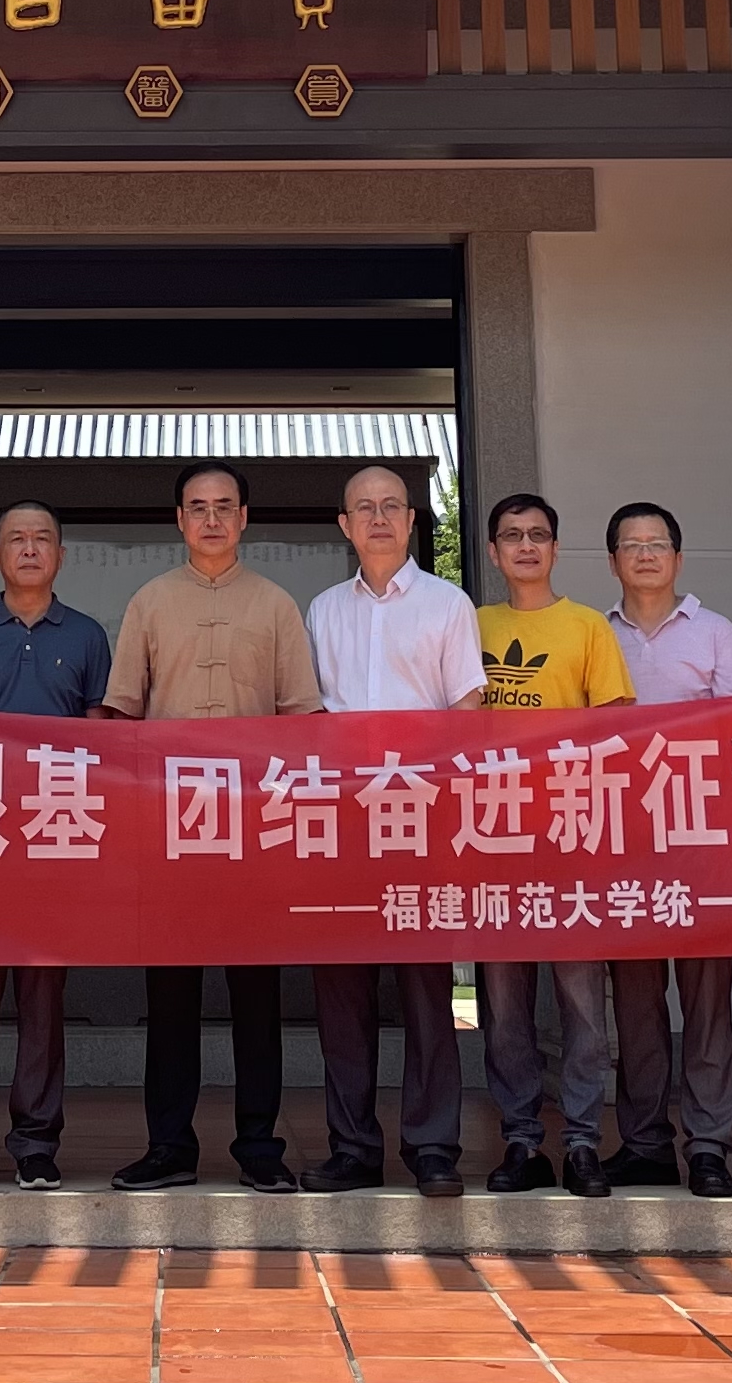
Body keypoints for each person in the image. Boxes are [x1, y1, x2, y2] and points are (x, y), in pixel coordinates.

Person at [100, 459, 320, 1193]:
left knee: (257, 997)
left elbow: (303, 720)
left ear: (245, 518)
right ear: (179, 520)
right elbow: (121, 714)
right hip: (171, 830)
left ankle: (259, 1145)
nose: (212, 518)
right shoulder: (149, 601)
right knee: (170, 998)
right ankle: (169, 1146)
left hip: (255, 831)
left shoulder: (277, 605)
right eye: (198, 507)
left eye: (225, 506)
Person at [301, 460, 481, 1200]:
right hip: (340, 825)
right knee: (341, 995)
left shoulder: (448, 604)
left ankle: (433, 1146)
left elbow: (465, 712)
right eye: (364, 508)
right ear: (344, 526)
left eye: (391, 506)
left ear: (411, 521)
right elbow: (307, 716)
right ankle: (352, 1148)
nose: (378, 518)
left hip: (418, 820)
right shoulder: (321, 610)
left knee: (426, 993)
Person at [0, 500, 112, 1192]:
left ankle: (36, 1142)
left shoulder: (88, 635)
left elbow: (101, 739)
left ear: (61, 554)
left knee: (42, 997)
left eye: (41, 539)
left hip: (54, 840)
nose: (29, 549)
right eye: (16, 540)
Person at [472, 491, 636, 1198]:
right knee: (504, 1004)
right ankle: (519, 1140)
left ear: (556, 548)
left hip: (570, 838)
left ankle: (581, 1143)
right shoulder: (471, 625)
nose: (525, 545)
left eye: (538, 534)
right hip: (490, 839)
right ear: (492, 551)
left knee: (581, 1003)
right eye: (511, 535)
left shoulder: (587, 627)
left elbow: (615, 732)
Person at [599, 498, 732, 1200]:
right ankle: (644, 1145)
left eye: (657, 543)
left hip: (700, 842)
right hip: (622, 844)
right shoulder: (595, 634)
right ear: (613, 562)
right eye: (631, 545)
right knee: (635, 1006)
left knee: (707, 1002)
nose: (645, 554)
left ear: (678, 558)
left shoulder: (716, 632)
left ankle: (710, 1145)